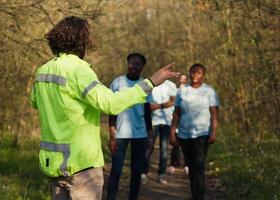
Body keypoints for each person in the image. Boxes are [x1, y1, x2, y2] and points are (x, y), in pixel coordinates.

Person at [31, 16, 178, 200]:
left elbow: (36, 102)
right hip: (81, 165)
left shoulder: (43, 71)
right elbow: (110, 104)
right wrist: (149, 83)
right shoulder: (79, 70)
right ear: (81, 41)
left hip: (53, 164)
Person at [106, 53, 153, 200]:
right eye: (131, 63)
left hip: (140, 135)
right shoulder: (117, 82)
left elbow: (147, 112)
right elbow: (111, 110)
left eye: (137, 64)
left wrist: (150, 136)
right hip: (120, 134)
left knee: (136, 171)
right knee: (116, 171)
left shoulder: (145, 84)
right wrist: (112, 135)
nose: (133, 66)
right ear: (127, 64)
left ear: (142, 67)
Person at [170, 64, 219, 200]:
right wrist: (172, 131)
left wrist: (214, 131)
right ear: (189, 73)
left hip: (202, 134)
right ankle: (194, 193)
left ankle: (199, 196)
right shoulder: (183, 91)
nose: (195, 75)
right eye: (193, 72)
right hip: (185, 134)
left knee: (199, 165)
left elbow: (214, 114)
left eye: (198, 73)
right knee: (191, 166)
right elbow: (177, 113)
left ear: (203, 75)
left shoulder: (209, 91)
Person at [141, 78, 177, 184]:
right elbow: (147, 105)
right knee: (148, 147)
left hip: (167, 121)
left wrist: (157, 106)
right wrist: (161, 105)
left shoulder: (171, 85)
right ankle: (143, 172)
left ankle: (161, 174)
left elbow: (173, 101)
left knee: (164, 149)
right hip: (153, 121)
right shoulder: (152, 84)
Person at [167, 73, 189, 174]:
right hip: (175, 120)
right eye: (181, 79)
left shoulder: (189, 92)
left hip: (186, 122)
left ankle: (187, 164)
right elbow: (171, 105)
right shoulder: (173, 91)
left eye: (184, 79)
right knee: (176, 144)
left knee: (187, 145)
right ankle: (173, 164)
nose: (182, 81)